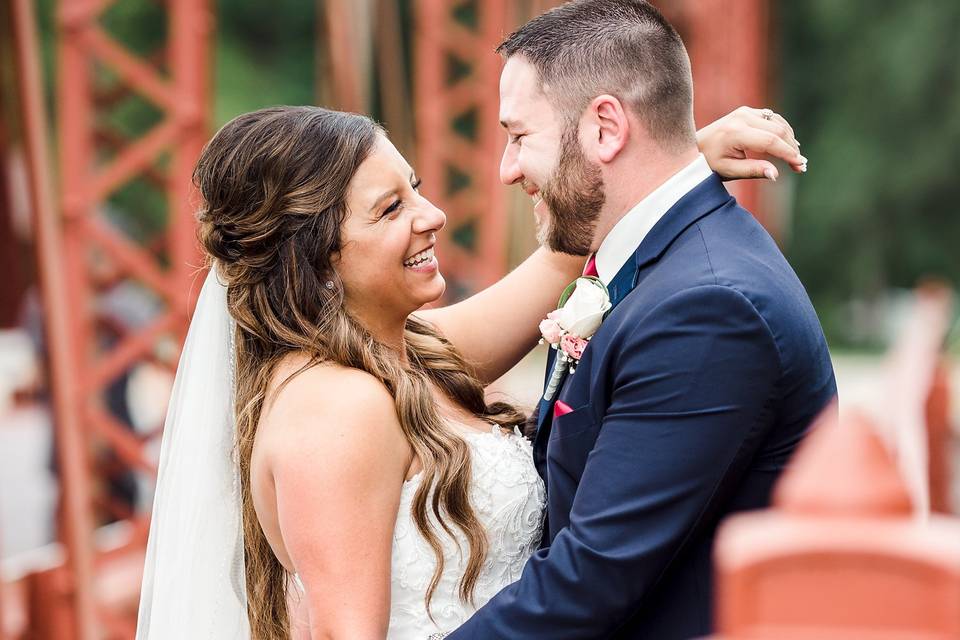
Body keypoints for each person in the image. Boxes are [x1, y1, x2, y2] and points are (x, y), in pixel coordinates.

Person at [135, 102, 804, 639]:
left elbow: (557, 263)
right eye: (390, 209)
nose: (434, 216)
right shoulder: (336, 409)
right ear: (318, 261)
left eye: (415, 189)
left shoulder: (405, 356)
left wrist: (670, 165)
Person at [444, 2, 837, 639]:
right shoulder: (662, 266)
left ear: (605, 128)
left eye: (519, 136)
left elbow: (587, 583)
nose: (506, 169)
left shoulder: (706, 310)